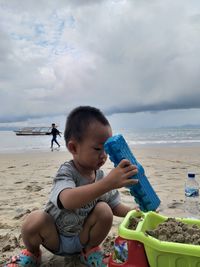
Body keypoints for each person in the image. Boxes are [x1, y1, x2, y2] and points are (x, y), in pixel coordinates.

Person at [4, 106, 138, 267]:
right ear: (73, 148)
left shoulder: (101, 178)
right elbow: (67, 200)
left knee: (104, 210)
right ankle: (33, 253)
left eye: (106, 149)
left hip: (83, 238)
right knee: (35, 219)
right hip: (54, 237)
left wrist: (132, 212)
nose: (104, 155)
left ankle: (90, 251)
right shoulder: (66, 172)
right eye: (97, 148)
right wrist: (107, 184)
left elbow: (115, 205)